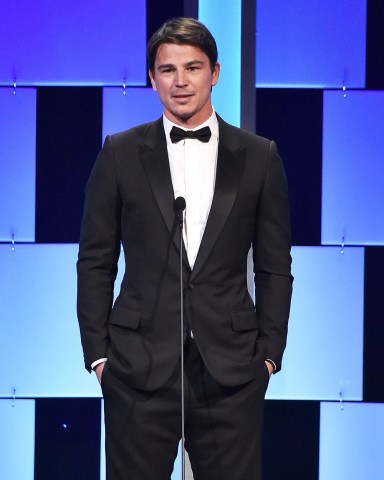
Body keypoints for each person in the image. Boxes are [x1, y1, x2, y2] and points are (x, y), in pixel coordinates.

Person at [77, 17, 292, 480]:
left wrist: (270, 354)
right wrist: (99, 356)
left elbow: (275, 265)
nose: (180, 82)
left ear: (214, 73)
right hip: (137, 367)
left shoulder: (259, 157)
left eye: (192, 68)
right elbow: (95, 259)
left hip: (232, 370)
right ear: (152, 78)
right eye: (168, 70)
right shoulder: (119, 153)